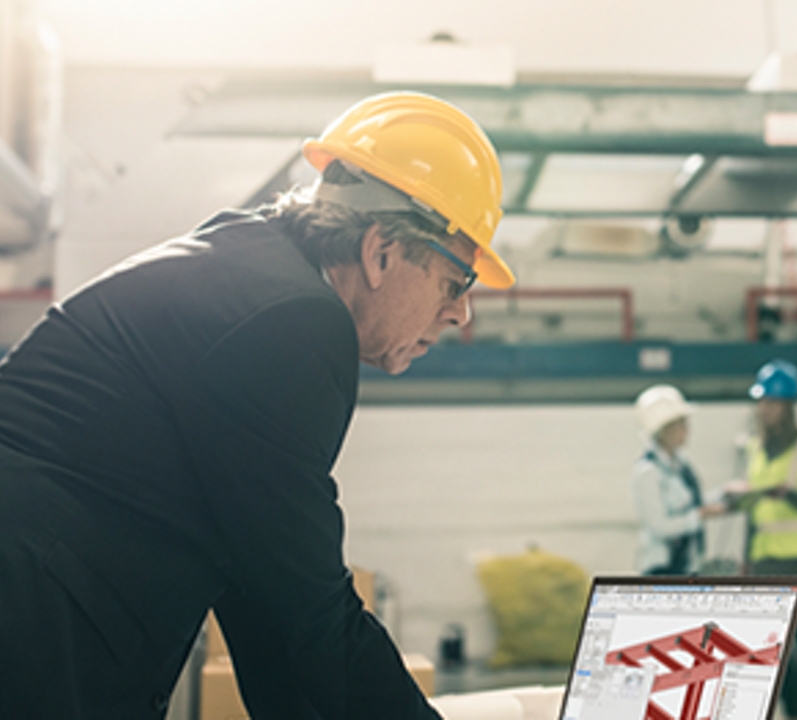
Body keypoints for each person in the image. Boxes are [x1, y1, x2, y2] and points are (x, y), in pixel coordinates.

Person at [0, 91, 512, 719]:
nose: (461, 312)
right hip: (29, 625)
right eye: (456, 282)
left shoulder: (254, 268)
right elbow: (305, 612)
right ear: (381, 252)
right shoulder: (295, 324)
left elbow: (267, 597)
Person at [723, 359, 797, 720]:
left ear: (788, 406)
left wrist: (772, 490)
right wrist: (746, 561)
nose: (764, 410)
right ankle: (783, 712)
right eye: (762, 402)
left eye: (771, 403)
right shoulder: (754, 449)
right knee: (773, 649)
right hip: (765, 562)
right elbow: (753, 511)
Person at [631, 384, 725, 575]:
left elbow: (689, 505)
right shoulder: (648, 472)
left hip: (686, 567)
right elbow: (660, 526)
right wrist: (700, 516)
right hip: (663, 569)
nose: (686, 430)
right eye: (681, 424)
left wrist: (722, 496)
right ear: (664, 429)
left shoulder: (680, 466)